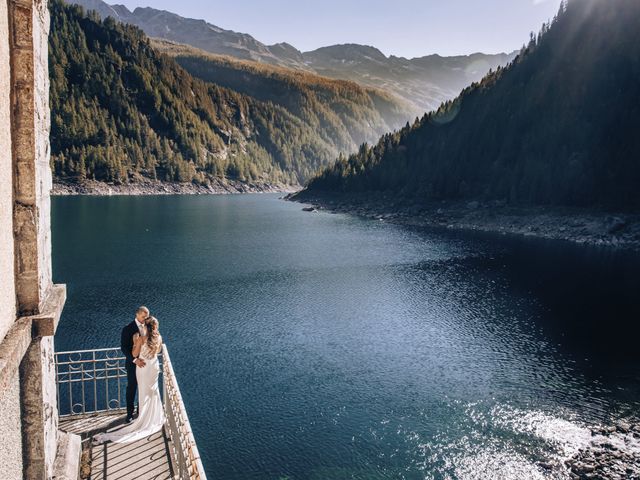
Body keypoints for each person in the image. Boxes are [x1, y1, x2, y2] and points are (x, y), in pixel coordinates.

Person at [95, 315, 165, 444]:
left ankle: (143, 418)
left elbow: (134, 354)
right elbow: (158, 350)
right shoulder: (159, 337)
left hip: (143, 367)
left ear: (145, 326)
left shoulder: (141, 339)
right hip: (154, 367)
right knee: (153, 391)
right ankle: (154, 416)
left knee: (143, 392)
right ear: (155, 327)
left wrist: (136, 342)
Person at [121, 306, 149, 422]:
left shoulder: (149, 326)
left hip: (146, 363)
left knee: (144, 387)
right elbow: (124, 348)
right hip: (133, 364)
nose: (145, 319)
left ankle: (141, 410)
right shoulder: (127, 329)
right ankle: (129, 414)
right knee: (132, 388)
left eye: (147, 316)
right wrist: (134, 360)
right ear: (137, 315)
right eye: (143, 316)